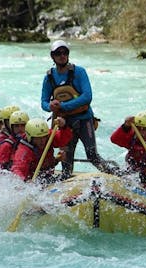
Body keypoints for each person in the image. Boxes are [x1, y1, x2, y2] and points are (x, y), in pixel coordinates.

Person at [41, 39, 114, 178]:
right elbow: (43, 103)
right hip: (64, 124)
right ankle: (66, 184)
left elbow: (87, 97)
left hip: (84, 119)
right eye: (58, 53)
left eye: (65, 52)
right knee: (66, 161)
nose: (62, 55)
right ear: (52, 56)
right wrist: (50, 106)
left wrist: (62, 106)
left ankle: (117, 175)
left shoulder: (79, 72)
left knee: (92, 154)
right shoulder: (49, 77)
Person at [11, 117, 72, 183]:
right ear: (30, 137)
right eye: (38, 138)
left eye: (44, 137)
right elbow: (18, 169)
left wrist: (63, 126)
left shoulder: (48, 136)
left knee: (65, 176)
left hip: (48, 177)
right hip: (34, 182)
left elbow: (62, 139)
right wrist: (23, 182)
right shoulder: (24, 151)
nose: (42, 141)